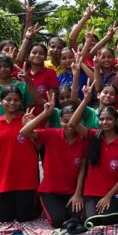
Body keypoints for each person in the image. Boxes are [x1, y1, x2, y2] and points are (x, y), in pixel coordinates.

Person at [19, 96, 90, 227]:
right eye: (65, 121)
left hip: (72, 191)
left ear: (80, 121)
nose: (70, 125)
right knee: (59, 221)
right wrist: (45, 113)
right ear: (60, 121)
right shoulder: (52, 134)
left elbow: (82, 170)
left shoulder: (84, 140)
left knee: (80, 219)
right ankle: (47, 208)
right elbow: (24, 131)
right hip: (50, 191)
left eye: (74, 121)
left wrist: (78, 194)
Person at [0, 87, 40, 222]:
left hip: (26, 180)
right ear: (0, 101)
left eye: (16, 100)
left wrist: (28, 128)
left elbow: (39, 146)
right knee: (5, 218)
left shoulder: (29, 120)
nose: (12, 103)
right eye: (8, 99)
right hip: (4, 181)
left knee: (24, 218)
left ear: (21, 102)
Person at [79, 106, 118, 224]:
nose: (104, 122)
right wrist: (86, 100)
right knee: (92, 222)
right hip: (92, 191)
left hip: (114, 192)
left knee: (108, 220)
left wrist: (108, 196)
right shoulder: (93, 136)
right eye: (101, 119)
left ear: (116, 121)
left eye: (109, 119)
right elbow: (73, 123)